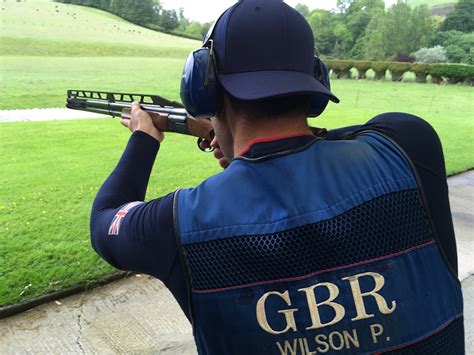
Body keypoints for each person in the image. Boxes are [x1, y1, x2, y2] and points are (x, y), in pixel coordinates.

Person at [90, 1, 464, 354]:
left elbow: (106, 218)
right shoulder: (409, 147)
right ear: (316, 80)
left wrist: (144, 136)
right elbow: (342, 140)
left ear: (202, 89)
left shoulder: (178, 225)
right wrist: (247, 147)